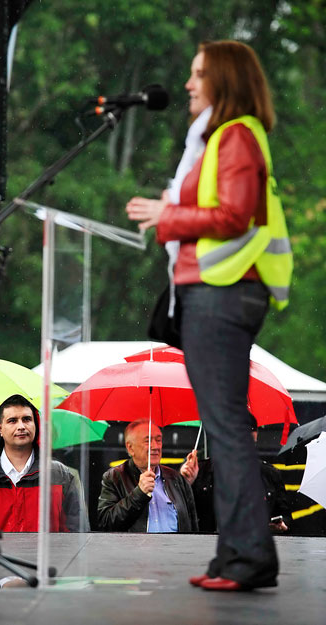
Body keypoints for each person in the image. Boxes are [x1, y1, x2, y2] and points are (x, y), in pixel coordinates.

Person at [126, 40, 292, 591]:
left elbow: (234, 214)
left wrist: (168, 215)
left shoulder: (236, 134)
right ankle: (235, 555)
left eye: (198, 74)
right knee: (223, 431)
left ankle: (250, 559)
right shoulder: (219, 138)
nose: (190, 84)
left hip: (224, 295)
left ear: (223, 79)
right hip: (213, 294)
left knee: (226, 432)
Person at [0, 394, 88, 532]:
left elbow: (78, 534)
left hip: (47, 554)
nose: (21, 426)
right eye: (12, 421)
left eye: (27, 419)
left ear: (36, 425)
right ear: (0, 429)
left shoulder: (60, 475)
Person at [184, 423, 292, 533]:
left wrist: (282, 525)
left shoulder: (269, 474)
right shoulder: (201, 472)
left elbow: (286, 516)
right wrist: (187, 481)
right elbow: (184, 515)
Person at [97, 419, 198, 532]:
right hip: (135, 549)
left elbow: (192, 524)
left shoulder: (175, 478)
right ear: (130, 448)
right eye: (148, 441)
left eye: (158, 440)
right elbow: (105, 523)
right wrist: (139, 493)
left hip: (175, 548)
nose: (155, 446)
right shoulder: (114, 477)